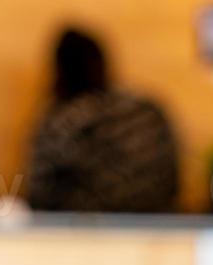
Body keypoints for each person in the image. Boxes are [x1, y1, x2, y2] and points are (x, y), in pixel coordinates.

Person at [25, 28, 179, 213]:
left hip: (86, 232)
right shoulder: (146, 109)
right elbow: (172, 181)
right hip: (159, 226)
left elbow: (38, 192)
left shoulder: (62, 121)